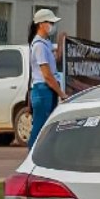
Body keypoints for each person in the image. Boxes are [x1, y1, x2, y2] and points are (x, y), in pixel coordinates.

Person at [29, 8, 67, 144]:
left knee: (47, 128)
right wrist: (61, 93)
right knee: (40, 129)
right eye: (50, 22)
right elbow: (47, 75)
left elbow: (54, 62)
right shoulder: (39, 45)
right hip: (42, 91)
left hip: (47, 91)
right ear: (40, 24)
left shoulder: (46, 43)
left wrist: (61, 43)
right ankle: (31, 157)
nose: (52, 25)